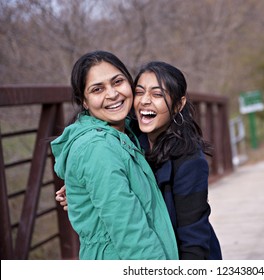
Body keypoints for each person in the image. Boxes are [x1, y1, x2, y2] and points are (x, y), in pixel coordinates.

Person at [56, 61, 222, 260]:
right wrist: (81, 186)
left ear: (178, 105)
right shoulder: (128, 136)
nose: (145, 101)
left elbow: (194, 238)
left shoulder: (189, 160)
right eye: (140, 92)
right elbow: (105, 170)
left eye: (157, 94)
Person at [51, 51, 178, 260]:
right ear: (84, 101)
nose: (112, 94)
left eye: (117, 82)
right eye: (97, 89)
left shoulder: (124, 134)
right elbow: (131, 234)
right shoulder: (97, 149)